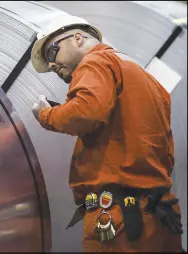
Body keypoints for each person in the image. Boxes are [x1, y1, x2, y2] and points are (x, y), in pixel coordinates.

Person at [30, 15, 183, 252]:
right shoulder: (143, 76)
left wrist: (46, 115)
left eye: (52, 52)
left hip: (120, 218)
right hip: (160, 212)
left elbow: (85, 113)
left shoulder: (95, 62)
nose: (51, 65)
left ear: (78, 38)